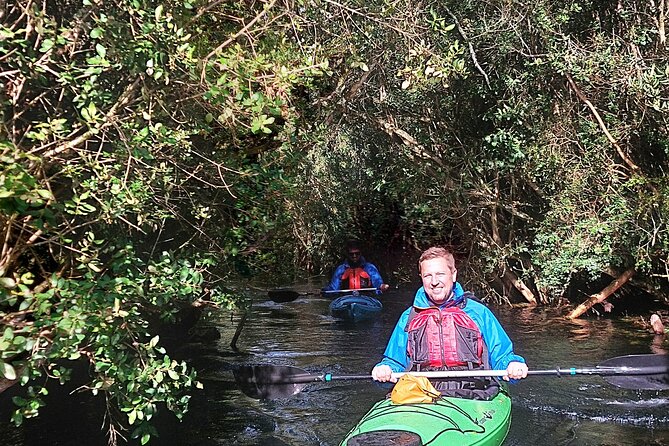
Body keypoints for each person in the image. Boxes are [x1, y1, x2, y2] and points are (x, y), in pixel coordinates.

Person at [371, 246, 528, 399]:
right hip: (421, 393)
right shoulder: (409, 317)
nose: (434, 282)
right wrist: (385, 369)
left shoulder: (478, 313)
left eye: (440, 274)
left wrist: (512, 365)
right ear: (421, 278)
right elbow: (395, 361)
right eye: (427, 276)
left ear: (453, 275)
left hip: (474, 392)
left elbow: (501, 356)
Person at [322, 240, 390, 295]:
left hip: (366, 298)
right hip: (346, 299)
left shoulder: (369, 268)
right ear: (347, 254)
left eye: (357, 253)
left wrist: (381, 286)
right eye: (351, 254)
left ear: (360, 253)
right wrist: (323, 291)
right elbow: (334, 289)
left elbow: (377, 282)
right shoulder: (341, 269)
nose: (354, 256)